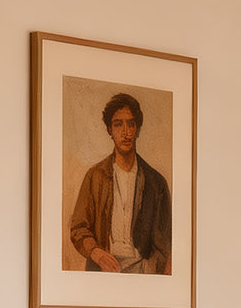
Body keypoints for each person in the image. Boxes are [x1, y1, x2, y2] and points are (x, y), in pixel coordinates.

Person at [69, 92, 172, 274]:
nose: (126, 132)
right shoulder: (94, 176)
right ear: (109, 130)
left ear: (137, 129)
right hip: (103, 270)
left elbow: (163, 243)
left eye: (131, 124)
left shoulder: (157, 183)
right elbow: (78, 228)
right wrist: (96, 253)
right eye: (118, 124)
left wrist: (148, 273)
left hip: (143, 273)